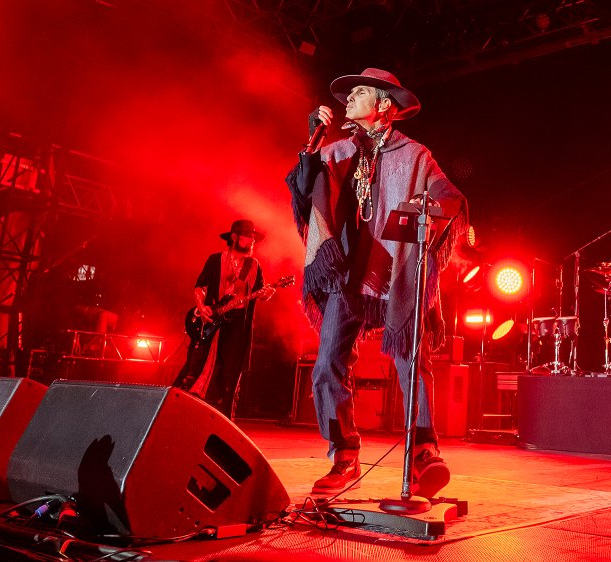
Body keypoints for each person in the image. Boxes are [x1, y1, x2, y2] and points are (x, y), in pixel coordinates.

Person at [286, 68, 468, 496]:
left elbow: (449, 195)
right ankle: (344, 456)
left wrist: (428, 204)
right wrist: (310, 147)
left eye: (360, 92)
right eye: (348, 93)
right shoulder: (336, 150)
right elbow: (301, 191)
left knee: (412, 359)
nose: (349, 98)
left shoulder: (416, 155)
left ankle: (424, 453)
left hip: (396, 273)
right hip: (347, 273)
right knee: (328, 363)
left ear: (384, 105)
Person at [173, 219, 274, 419]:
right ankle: (181, 409)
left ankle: (224, 416)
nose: (251, 240)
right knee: (196, 365)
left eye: (253, 237)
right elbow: (200, 286)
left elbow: (259, 292)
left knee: (231, 371)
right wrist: (202, 308)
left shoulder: (254, 266)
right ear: (234, 237)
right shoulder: (215, 260)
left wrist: (267, 293)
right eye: (247, 236)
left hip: (238, 325)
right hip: (213, 319)